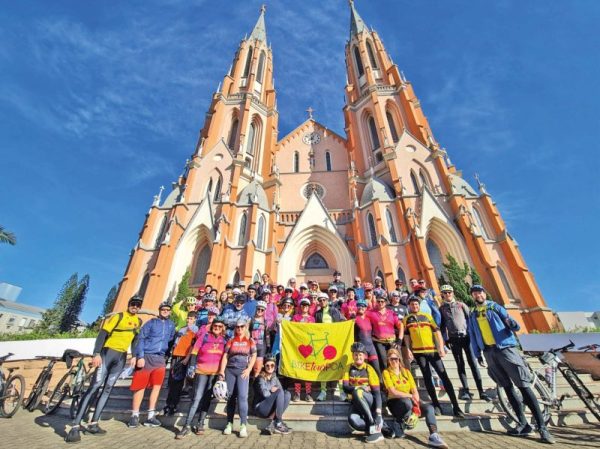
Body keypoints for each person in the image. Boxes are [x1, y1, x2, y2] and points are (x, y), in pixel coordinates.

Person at [467, 284, 555, 444]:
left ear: (484, 294)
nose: (477, 295)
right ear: (472, 297)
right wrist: (477, 352)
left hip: (506, 348)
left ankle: (542, 427)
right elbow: (472, 334)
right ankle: (523, 424)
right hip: (489, 352)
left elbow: (514, 324)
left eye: (479, 292)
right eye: (474, 293)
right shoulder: (472, 314)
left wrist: (511, 323)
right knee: (507, 387)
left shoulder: (495, 307)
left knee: (523, 386)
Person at [65, 295, 143, 443]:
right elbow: (102, 334)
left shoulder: (138, 321)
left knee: (107, 389)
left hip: (120, 357)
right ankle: (75, 426)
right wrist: (96, 354)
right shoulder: (118, 317)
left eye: (138, 305)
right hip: (107, 354)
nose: (135, 307)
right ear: (129, 304)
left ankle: (93, 423)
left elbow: (135, 339)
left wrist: (134, 355)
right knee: (94, 387)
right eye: (133, 303)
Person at [403, 297, 463, 417]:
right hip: (419, 353)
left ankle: (456, 406)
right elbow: (407, 337)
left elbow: (437, 332)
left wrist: (441, 347)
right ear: (409, 306)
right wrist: (409, 350)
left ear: (419, 305)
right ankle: (436, 405)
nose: (414, 306)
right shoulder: (407, 319)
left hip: (432, 351)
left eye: (416, 304)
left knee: (443, 376)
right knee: (427, 378)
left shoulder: (427, 316)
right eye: (412, 304)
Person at [382, 348, 448, 448]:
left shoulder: (406, 372)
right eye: (391, 359)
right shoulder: (386, 372)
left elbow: (414, 391)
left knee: (429, 408)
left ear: (399, 359)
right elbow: (393, 392)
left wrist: (416, 407)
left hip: (409, 401)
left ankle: (434, 436)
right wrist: (410, 396)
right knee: (406, 403)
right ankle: (400, 422)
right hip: (394, 402)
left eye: (396, 358)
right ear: (388, 360)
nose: (394, 361)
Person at [175, 317, 228, 439]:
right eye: (216, 326)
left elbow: (226, 356)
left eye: (220, 327)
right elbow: (194, 352)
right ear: (212, 326)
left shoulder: (224, 340)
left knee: (207, 398)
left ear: (222, 328)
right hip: (201, 371)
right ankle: (187, 425)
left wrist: (222, 372)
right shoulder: (204, 337)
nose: (217, 328)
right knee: (197, 398)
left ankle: (200, 422)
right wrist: (192, 366)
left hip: (214, 373)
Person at [128, 301, 176, 428]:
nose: (165, 311)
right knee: (140, 386)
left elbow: (170, 341)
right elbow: (141, 338)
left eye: (167, 309)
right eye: (163, 309)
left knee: (156, 387)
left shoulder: (171, 325)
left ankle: (150, 416)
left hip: (160, 358)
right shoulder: (151, 323)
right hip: (147, 356)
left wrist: (166, 356)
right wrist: (140, 356)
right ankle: (134, 415)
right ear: (159, 310)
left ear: (170, 311)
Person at [438, 284, 488, 401]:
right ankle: (466, 390)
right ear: (442, 295)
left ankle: (481, 391)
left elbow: (470, 320)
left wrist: (473, 336)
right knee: (460, 365)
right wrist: (446, 340)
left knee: (473, 364)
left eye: (449, 292)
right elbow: (442, 326)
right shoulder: (442, 309)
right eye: (445, 293)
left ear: (453, 293)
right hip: (454, 339)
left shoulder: (461, 305)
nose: (447, 294)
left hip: (467, 337)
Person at [218, 319, 257, 438]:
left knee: (242, 397)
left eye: (242, 327)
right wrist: (221, 371)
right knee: (230, 397)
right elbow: (225, 355)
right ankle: (229, 423)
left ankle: (243, 425)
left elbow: (254, 355)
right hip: (230, 370)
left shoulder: (250, 341)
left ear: (245, 328)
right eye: (237, 327)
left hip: (242, 371)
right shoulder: (231, 340)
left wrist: (249, 368)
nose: (239, 329)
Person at [343, 342, 384, 443]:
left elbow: (377, 393)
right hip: (356, 402)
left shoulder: (369, 369)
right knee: (353, 420)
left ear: (364, 356)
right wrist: (358, 387)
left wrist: (378, 413)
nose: (358, 357)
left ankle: (372, 424)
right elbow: (345, 387)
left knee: (358, 392)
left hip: (369, 401)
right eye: (356, 354)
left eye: (360, 354)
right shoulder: (347, 368)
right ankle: (376, 429)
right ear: (353, 356)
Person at [163, 311, 198, 416]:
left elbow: (193, 345)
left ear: (195, 319)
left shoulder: (196, 330)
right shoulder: (182, 328)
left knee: (178, 382)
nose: (189, 320)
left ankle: (173, 405)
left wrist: (187, 358)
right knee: (174, 382)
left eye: (191, 319)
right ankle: (169, 405)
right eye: (188, 318)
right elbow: (175, 343)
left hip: (185, 357)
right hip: (176, 355)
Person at [314, 292, 345, 401]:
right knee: (324, 366)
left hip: (335, 342)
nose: (322, 302)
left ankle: (341, 391)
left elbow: (342, 322)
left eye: (324, 300)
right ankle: (323, 392)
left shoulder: (334, 311)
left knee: (338, 365)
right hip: (323, 344)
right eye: (320, 300)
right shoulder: (317, 313)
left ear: (327, 301)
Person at [253, 354, 292, 435]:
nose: (270, 367)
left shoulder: (274, 377)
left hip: (270, 408)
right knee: (279, 392)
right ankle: (278, 423)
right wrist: (271, 391)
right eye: (267, 365)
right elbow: (265, 394)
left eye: (272, 365)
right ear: (264, 366)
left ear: (275, 366)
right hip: (260, 408)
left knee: (287, 394)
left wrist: (276, 391)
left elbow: (281, 394)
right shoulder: (260, 378)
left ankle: (274, 422)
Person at [367, 295, 403, 372]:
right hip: (379, 342)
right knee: (383, 362)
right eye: (378, 301)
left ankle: (398, 381)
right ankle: (386, 381)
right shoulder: (371, 313)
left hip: (392, 342)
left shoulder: (391, 313)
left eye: (382, 301)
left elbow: (401, 325)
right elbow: (361, 315)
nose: (380, 303)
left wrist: (399, 340)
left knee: (396, 361)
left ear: (386, 302)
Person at [292, 298, 315, 402]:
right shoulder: (296, 317)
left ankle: (308, 393)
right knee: (298, 370)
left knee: (308, 370)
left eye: (306, 305)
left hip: (309, 347)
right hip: (298, 347)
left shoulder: (312, 319)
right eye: (303, 305)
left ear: (309, 307)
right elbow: (291, 329)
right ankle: (297, 393)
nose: (305, 307)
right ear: (300, 307)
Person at [354, 299, 381, 378]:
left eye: (363, 306)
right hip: (361, 348)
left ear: (366, 308)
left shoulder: (369, 318)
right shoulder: (354, 319)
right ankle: (365, 387)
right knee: (363, 369)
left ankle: (381, 387)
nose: (361, 307)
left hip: (371, 347)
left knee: (376, 368)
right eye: (359, 306)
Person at [249, 300, 270, 376]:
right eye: (258, 309)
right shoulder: (250, 319)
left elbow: (267, 335)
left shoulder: (265, 321)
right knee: (249, 367)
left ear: (264, 311)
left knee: (258, 368)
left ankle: (255, 383)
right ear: (256, 309)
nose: (260, 311)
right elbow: (247, 332)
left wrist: (268, 346)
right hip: (251, 346)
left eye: (262, 310)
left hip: (261, 346)